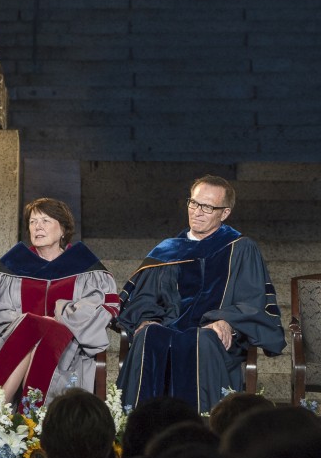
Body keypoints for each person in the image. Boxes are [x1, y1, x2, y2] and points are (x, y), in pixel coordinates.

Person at [116, 175, 285, 412]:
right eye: (193, 203)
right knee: (148, 335)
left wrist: (228, 321)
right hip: (169, 329)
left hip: (213, 337)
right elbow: (145, 296)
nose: (197, 212)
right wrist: (146, 319)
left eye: (207, 207)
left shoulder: (241, 248)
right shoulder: (168, 250)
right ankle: (134, 429)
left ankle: (208, 432)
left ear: (224, 213)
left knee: (204, 339)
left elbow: (252, 300)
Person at [0, 198, 118, 411]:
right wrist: (25, 321)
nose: (37, 226)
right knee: (31, 327)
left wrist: (60, 316)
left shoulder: (88, 271)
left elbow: (101, 311)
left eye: (46, 220)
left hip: (67, 350)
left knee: (38, 330)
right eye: (32, 221)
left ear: (63, 229)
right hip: (12, 342)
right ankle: (22, 415)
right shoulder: (11, 267)